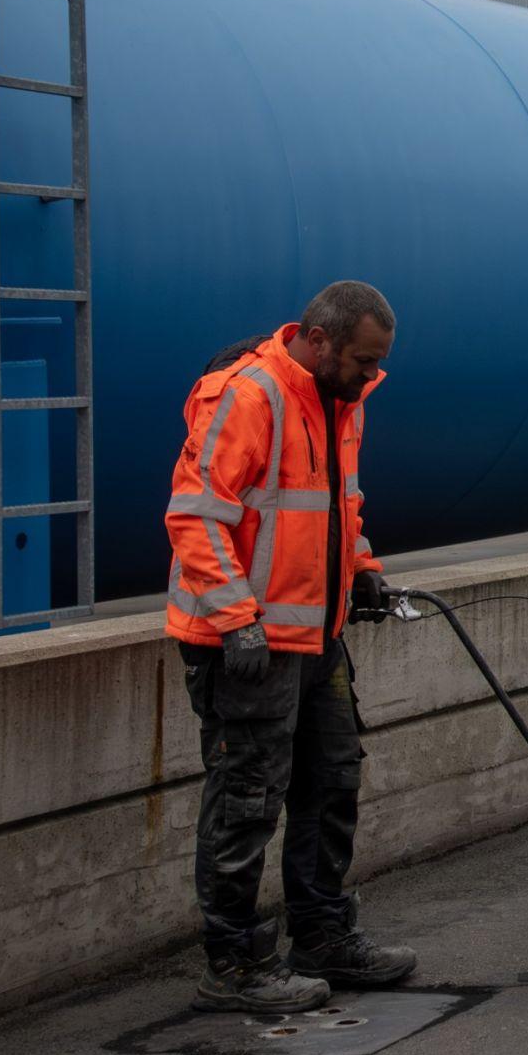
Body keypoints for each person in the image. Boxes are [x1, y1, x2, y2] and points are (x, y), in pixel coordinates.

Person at [164, 281, 415, 1013]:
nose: (373, 377)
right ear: (322, 339)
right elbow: (195, 515)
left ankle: (321, 934)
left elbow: (338, 508)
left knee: (331, 780)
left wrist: (362, 569)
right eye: (365, 362)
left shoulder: (343, 402)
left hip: (314, 638)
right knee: (247, 799)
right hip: (243, 644)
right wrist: (238, 617)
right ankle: (234, 962)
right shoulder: (246, 396)